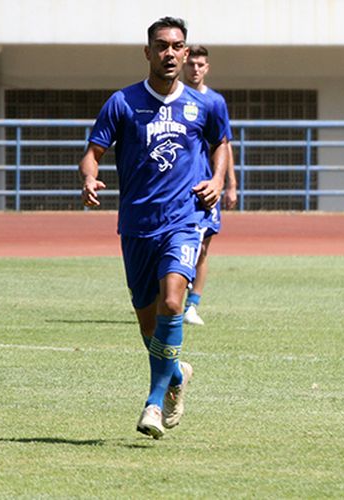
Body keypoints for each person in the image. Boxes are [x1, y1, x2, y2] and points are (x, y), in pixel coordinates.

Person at [78, 17, 231, 439]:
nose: (169, 53)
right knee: (149, 327)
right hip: (136, 225)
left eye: (176, 46)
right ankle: (176, 375)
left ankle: (153, 402)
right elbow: (92, 153)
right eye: (161, 46)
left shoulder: (207, 106)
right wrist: (89, 178)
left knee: (171, 302)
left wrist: (218, 181)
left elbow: (221, 143)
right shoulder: (123, 103)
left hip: (184, 219)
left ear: (186, 53)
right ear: (148, 52)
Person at [181, 45, 238, 326]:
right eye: (191, 64)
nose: (195, 69)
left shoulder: (215, 102)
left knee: (202, 247)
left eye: (200, 64)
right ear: (183, 64)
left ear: (207, 68)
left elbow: (223, 145)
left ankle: (191, 305)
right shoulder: (171, 98)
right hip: (179, 187)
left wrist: (230, 184)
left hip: (207, 187)